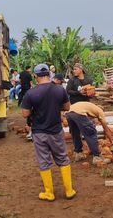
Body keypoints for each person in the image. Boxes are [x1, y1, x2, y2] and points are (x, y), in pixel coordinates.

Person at [21, 64, 76, 201]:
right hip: (56, 130)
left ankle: (49, 193)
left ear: (35, 76)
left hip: (39, 132)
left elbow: (25, 113)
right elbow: (67, 107)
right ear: (48, 74)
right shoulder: (59, 90)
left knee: (44, 161)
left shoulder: (31, 93)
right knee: (62, 158)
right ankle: (69, 191)